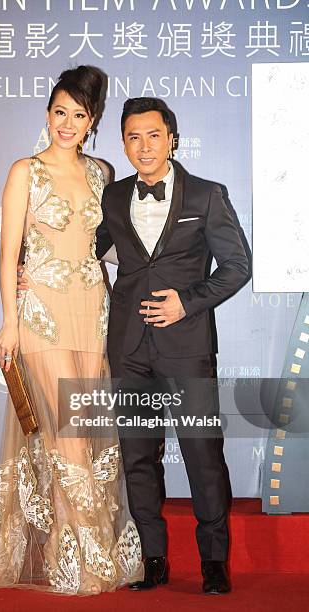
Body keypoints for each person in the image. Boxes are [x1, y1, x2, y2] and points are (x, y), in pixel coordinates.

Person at [17, 97, 250, 594]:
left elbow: (237, 267)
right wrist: (28, 271)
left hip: (186, 348)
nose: (143, 146)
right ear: (122, 144)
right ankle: (153, 558)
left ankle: (213, 563)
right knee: (137, 458)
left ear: (172, 138)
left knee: (202, 455)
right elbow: (80, 247)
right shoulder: (112, 196)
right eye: (132, 137)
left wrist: (186, 302)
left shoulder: (207, 196)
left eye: (153, 135)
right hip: (126, 347)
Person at [0, 66, 143, 596]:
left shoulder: (102, 172)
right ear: (47, 113)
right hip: (40, 314)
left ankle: (73, 551)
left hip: (91, 310)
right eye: (60, 112)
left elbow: (109, 243)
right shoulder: (25, 171)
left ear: (92, 122)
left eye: (79, 116)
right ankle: (83, 559)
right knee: (68, 437)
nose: (67, 123)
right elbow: (7, 249)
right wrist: (10, 321)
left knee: (85, 434)